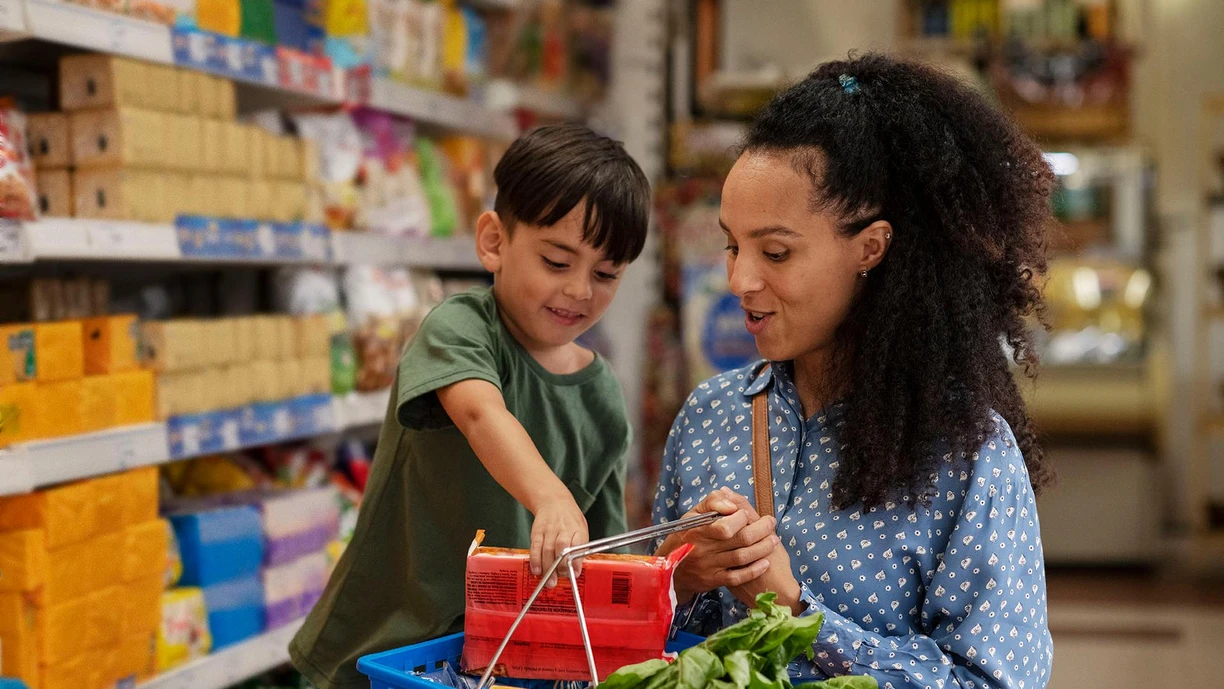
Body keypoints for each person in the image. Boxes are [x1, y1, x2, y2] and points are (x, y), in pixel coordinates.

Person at [653, 54, 1056, 689]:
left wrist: (797, 613)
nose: (739, 280)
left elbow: (992, 681)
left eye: (775, 252)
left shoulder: (966, 454)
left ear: (870, 249)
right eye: (732, 244)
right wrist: (678, 575)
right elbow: (649, 650)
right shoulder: (710, 415)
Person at [292, 123, 651, 689]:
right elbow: (481, 413)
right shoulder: (460, 328)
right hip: (391, 643)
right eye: (558, 262)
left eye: (605, 274)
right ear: (494, 242)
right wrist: (552, 497)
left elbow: (604, 549)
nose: (581, 291)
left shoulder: (602, 394)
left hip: (503, 663)